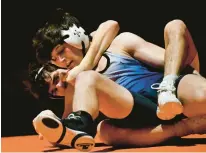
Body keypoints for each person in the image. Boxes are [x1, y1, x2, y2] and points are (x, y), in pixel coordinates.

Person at [30, 8, 206, 151]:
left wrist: (194, 75)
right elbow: (65, 127)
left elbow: (176, 62)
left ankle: (171, 92)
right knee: (104, 130)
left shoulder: (120, 44)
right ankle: (186, 126)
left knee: (175, 26)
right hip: (136, 111)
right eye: (54, 60)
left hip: (166, 94)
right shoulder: (75, 79)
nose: (60, 61)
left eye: (61, 51)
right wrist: (50, 129)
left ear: (76, 36)